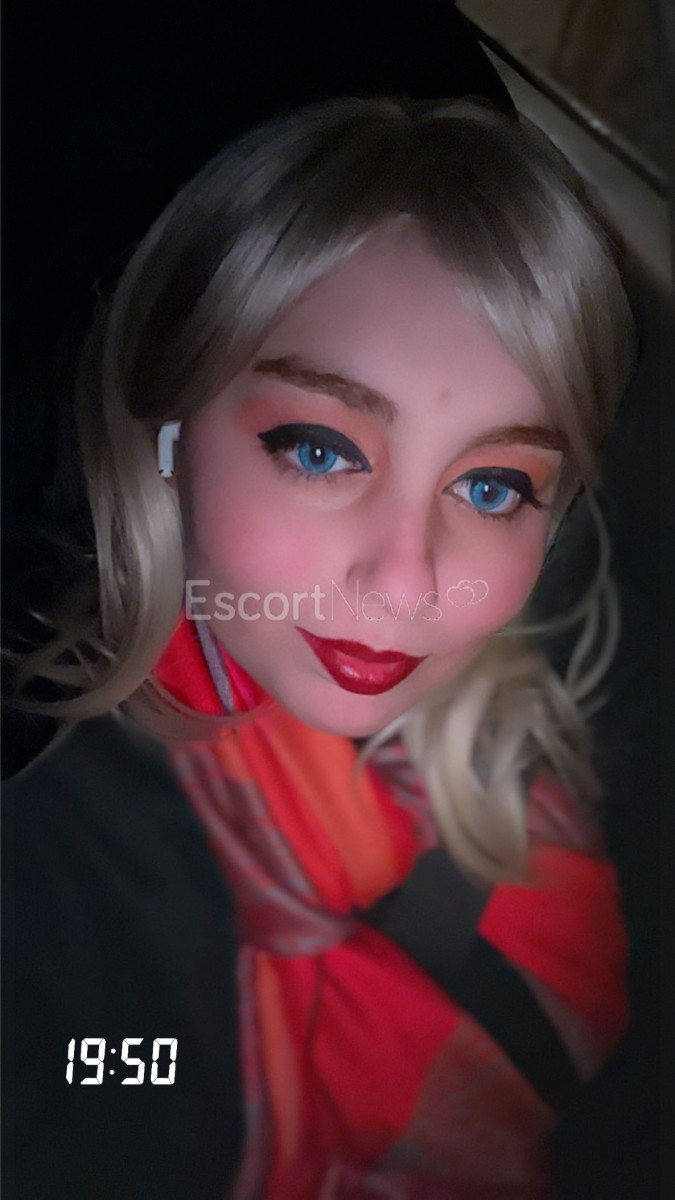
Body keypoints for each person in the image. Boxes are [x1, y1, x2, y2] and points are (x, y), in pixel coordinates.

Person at [3, 94, 636, 1200]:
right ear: (166, 431)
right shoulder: (53, 817)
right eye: (320, 450)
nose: (406, 581)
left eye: (493, 486)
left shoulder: (550, 715)